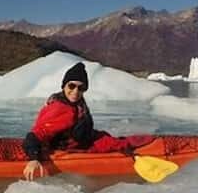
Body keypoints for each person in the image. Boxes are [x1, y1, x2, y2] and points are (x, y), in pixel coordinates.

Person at [22, 62, 152, 180]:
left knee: (111, 139)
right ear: (64, 86)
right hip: (73, 147)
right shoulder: (61, 109)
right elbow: (36, 134)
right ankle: (148, 148)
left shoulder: (75, 104)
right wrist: (34, 158)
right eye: (71, 86)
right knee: (125, 144)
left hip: (82, 139)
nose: (75, 91)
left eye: (81, 88)